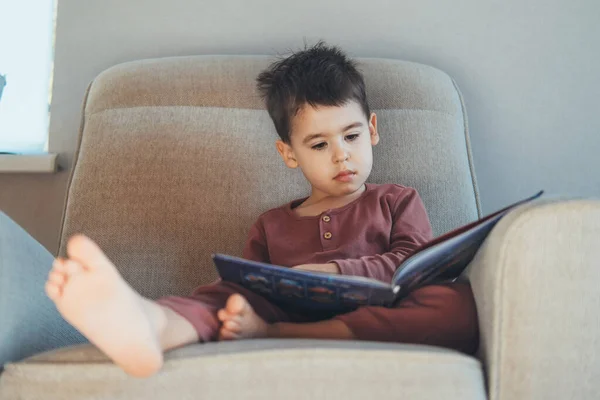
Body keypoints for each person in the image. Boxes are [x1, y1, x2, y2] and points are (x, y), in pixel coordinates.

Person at [45, 42, 478, 378]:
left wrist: (330, 274)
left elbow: (411, 265)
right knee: (223, 298)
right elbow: (247, 288)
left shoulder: (397, 200)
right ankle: (150, 325)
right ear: (289, 154)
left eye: (351, 137)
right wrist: (247, 306)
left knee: (455, 303)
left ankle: (279, 337)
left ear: (372, 130)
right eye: (319, 144)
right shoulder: (272, 224)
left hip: (379, 312)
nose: (341, 156)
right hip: (287, 307)